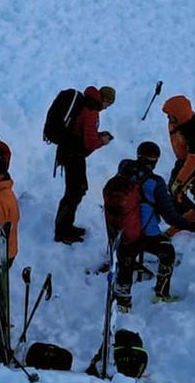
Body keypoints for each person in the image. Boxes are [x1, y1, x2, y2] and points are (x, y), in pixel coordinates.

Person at [104, 144, 184, 312]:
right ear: (155, 161)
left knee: (125, 265)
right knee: (167, 253)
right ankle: (161, 293)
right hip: (148, 235)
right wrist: (187, 224)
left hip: (123, 233)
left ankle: (123, 305)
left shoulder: (123, 171)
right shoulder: (156, 183)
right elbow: (169, 215)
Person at [54, 86, 115, 244]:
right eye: (108, 105)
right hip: (73, 154)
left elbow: (84, 134)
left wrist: (97, 136)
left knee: (77, 189)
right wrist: (102, 141)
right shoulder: (91, 109)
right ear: (106, 100)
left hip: (69, 151)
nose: (106, 108)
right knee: (75, 191)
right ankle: (62, 231)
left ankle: (66, 226)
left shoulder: (86, 103)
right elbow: (88, 142)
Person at [161, 95, 195, 197]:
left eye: (170, 115)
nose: (168, 117)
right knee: (174, 180)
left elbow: (194, 160)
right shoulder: (181, 119)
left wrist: (179, 182)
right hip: (186, 158)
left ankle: (181, 205)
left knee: (178, 188)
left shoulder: (193, 131)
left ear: (179, 115)